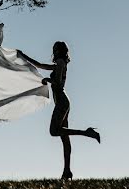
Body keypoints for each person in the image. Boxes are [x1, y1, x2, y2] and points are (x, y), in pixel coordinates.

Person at [18, 42, 100, 179]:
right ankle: (67, 171)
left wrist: (46, 79)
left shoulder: (61, 62)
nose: (54, 51)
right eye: (53, 49)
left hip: (62, 102)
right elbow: (39, 65)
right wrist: (23, 56)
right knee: (64, 138)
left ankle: (86, 132)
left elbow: (58, 83)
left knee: (53, 131)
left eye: (56, 49)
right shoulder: (58, 64)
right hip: (62, 102)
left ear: (60, 51)